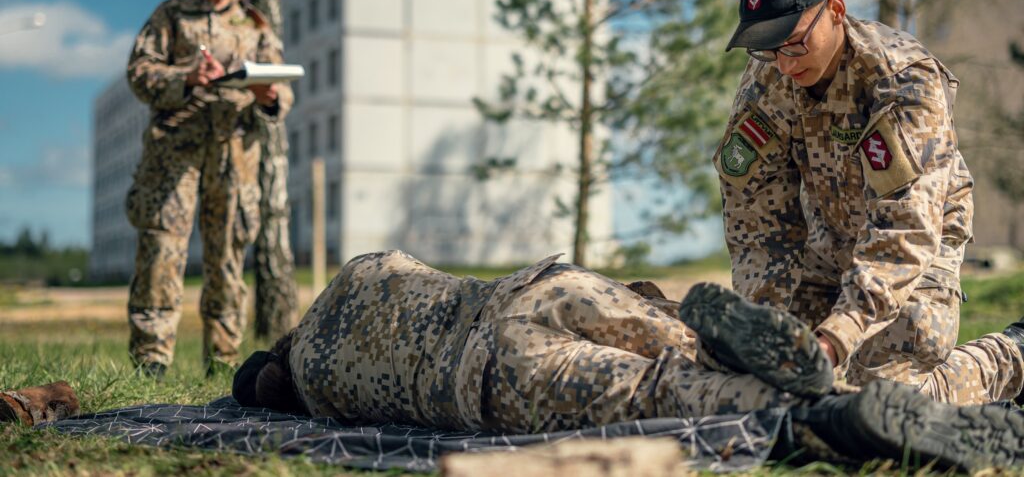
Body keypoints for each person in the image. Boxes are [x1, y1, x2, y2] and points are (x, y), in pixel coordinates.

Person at [232, 251, 1023, 470]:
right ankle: (1011, 353)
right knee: (680, 337)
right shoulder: (359, 273)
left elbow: (285, 390)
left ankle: (826, 417)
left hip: (498, 371)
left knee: (679, 392)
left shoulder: (318, 386)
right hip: (542, 285)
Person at [715, 0, 1024, 405]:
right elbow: (757, 222)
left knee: (877, 399)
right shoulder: (769, 79)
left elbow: (905, 229)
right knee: (777, 388)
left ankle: (1013, 356)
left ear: (836, 10)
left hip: (919, 246)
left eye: (794, 42)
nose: (784, 64)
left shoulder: (902, 80)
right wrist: (766, 328)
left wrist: (836, 337)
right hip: (827, 242)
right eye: (767, 47)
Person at [125, 0, 293, 378]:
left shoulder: (256, 27)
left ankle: (222, 364)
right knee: (161, 254)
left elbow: (282, 93)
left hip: (234, 158)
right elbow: (139, 73)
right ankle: (150, 363)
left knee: (228, 261)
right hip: (173, 158)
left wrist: (268, 95)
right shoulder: (171, 14)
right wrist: (186, 77)